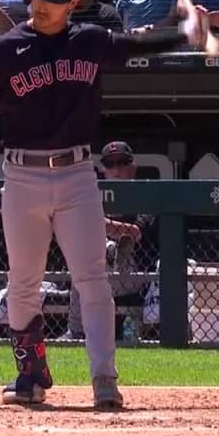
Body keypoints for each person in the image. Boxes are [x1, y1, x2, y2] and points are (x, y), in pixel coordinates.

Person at [0, 0, 204, 409]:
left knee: (92, 278)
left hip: (76, 175)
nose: (40, 6)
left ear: (74, 1)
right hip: (22, 174)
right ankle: (30, 375)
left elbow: (136, 44)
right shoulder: (5, 49)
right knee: (23, 282)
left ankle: (104, 379)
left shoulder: (89, 41)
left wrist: (186, 33)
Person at [61, 141, 155, 340]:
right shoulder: (92, 197)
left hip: (134, 273)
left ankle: (76, 331)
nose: (117, 169)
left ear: (133, 167)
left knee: (87, 261)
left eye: (122, 163)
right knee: (84, 262)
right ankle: (110, 251)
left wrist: (96, 222)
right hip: (97, 265)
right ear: (103, 170)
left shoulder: (144, 195)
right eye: (111, 164)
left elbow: (136, 232)